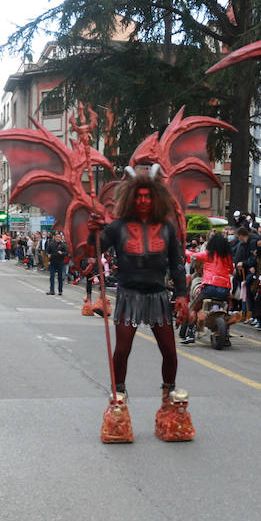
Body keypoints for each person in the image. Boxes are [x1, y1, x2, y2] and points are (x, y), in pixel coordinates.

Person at [95, 169, 192, 442]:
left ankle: (168, 396)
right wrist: (93, 230)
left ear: (156, 198)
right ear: (130, 198)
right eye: (139, 196)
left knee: (170, 351)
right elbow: (94, 249)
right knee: (122, 349)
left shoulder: (167, 228)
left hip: (159, 296)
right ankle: (119, 395)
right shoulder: (117, 227)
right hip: (128, 295)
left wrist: (182, 294)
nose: (144, 201)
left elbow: (176, 264)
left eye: (148, 196)